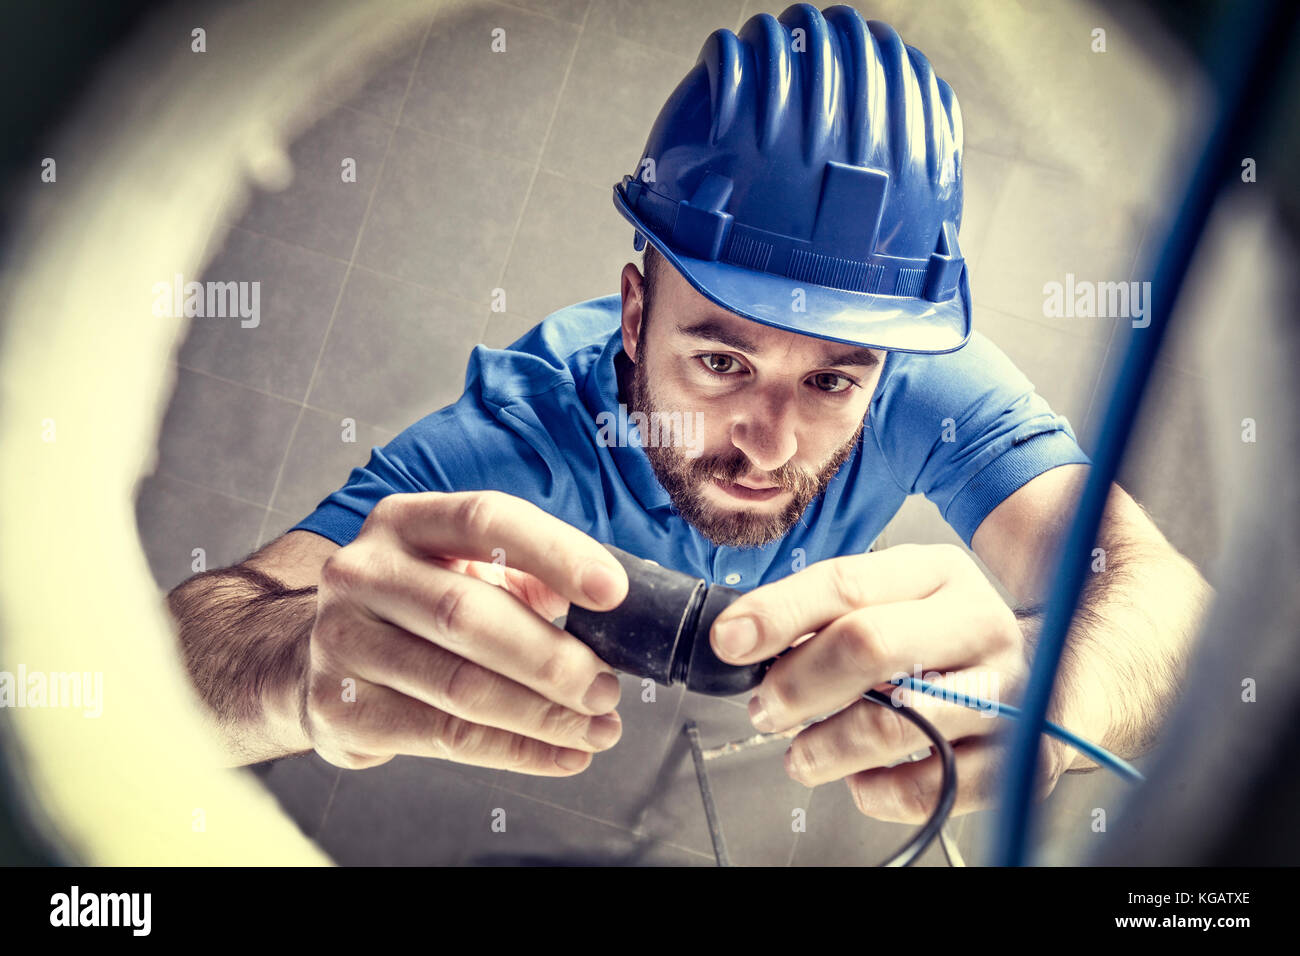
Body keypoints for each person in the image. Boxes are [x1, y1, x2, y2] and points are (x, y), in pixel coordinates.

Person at [166, 5, 1211, 826]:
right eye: (720, 360)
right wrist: (296, 667)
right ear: (632, 314)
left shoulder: (924, 381)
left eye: (831, 382)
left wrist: (1053, 690)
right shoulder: (526, 427)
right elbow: (195, 637)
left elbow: (1163, 595)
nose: (768, 442)